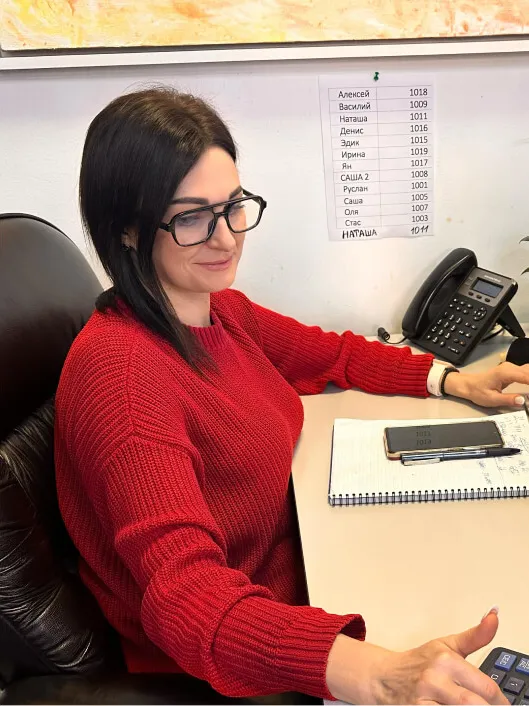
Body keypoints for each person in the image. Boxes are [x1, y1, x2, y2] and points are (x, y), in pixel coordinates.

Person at [55, 86, 523, 705]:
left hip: (306, 565)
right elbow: (189, 598)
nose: (226, 239)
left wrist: (451, 379)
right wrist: (374, 674)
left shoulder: (219, 311)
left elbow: (333, 354)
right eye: (191, 217)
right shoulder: (121, 376)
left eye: (233, 206)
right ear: (128, 230)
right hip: (234, 658)